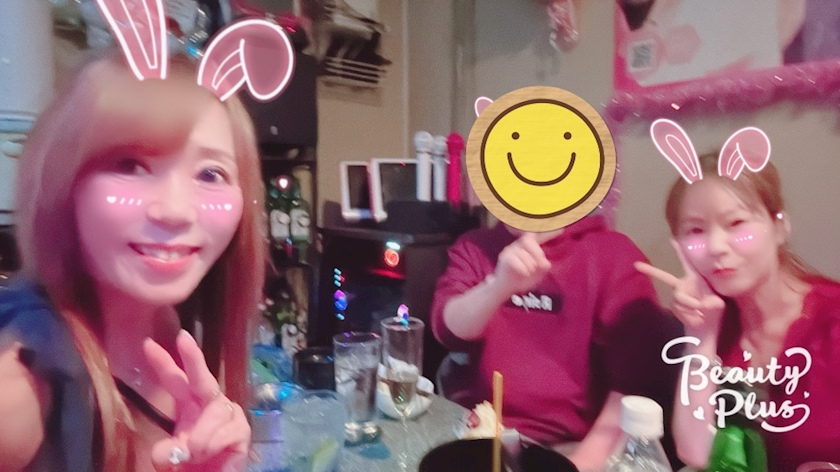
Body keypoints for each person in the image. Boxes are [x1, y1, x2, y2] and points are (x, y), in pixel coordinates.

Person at [0, 52, 266, 471]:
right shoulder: (22, 384)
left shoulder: (170, 321)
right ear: (62, 182)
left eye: (210, 174)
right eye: (130, 165)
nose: (175, 210)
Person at [430, 212, 682, 470]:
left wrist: (574, 466)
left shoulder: (615, 255)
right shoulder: (475, 245)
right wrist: (499, 287)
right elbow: (448, 329)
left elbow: (633, 387)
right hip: (481, 431)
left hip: (571, 446)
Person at [636, 153, 840, 471]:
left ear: (779, 226)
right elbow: (696, 453)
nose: (716, 246)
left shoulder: (832, 324)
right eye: (695, 231)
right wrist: (701, 334)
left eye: (736, 224)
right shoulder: (712, 326)